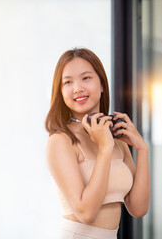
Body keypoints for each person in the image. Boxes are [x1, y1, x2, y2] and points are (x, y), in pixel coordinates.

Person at [45, 48, 150, 239]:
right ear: (60, 92)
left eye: (86, 78)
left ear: (102, 84)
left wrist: (142, 149)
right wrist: (104, 148)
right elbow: (86, 213)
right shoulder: (60, 141)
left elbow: (138, 208)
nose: (77, 88)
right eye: (68, 82)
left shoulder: (116, 140)